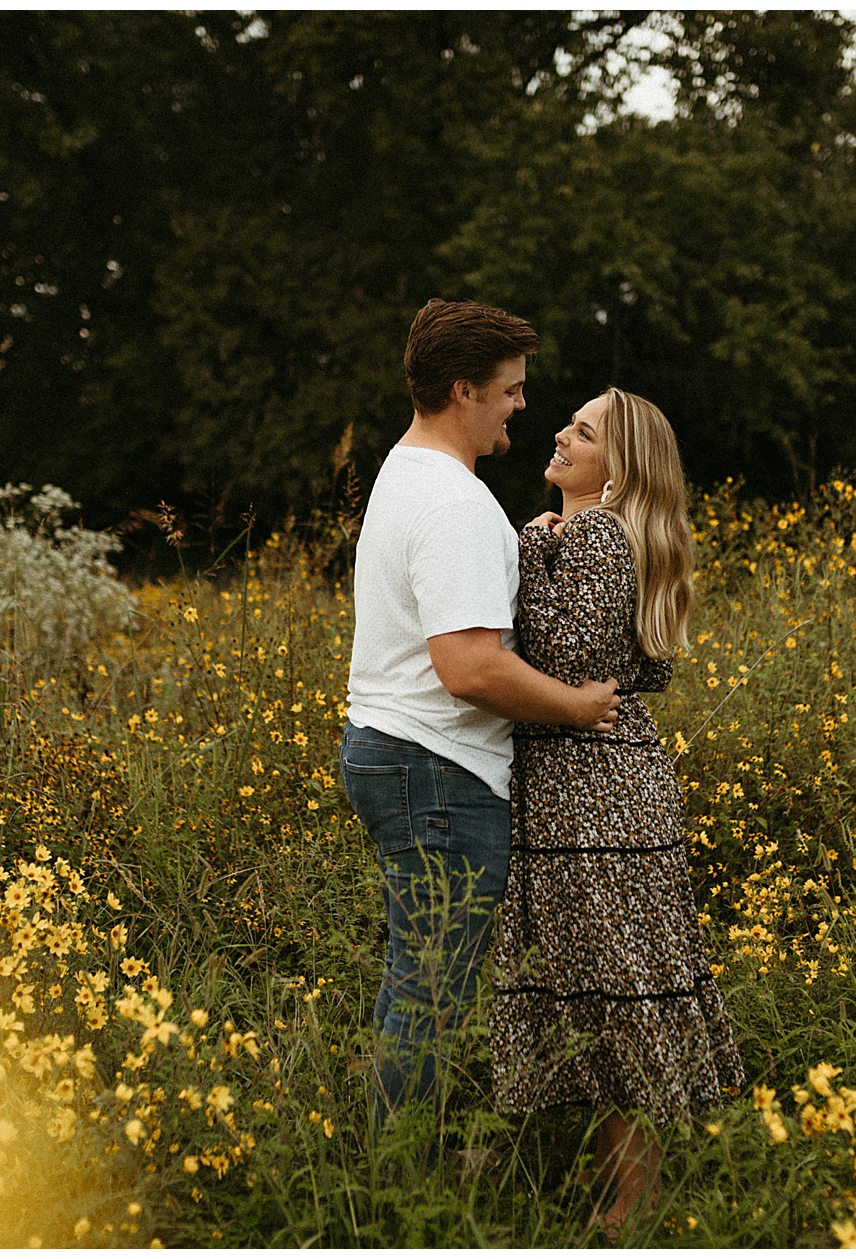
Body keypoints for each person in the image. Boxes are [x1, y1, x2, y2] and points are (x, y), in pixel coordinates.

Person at [340, 298, 624, 1133]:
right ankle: (395, 1196)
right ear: (464, 389)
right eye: (511, 389)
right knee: (426, 1001)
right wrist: (578, 705)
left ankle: (393, 1181)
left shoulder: (408, 472)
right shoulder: (455, 503)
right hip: (436, 769)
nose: (523, 405)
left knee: (416, 988)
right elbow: (467, 666)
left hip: (399, 753)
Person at [489, 386, 745, 1236]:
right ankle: (621, 1207)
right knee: (611, 996)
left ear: (617, 468)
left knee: (611, 999)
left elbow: (566, 657)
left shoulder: (592, 535)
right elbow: (638, 671)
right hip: (605, 784)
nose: (560, 432)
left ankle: (628, 1219)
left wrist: (528, 542)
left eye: (583, 430)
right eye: (568, 422)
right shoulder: (608, 538)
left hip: (592, 796)